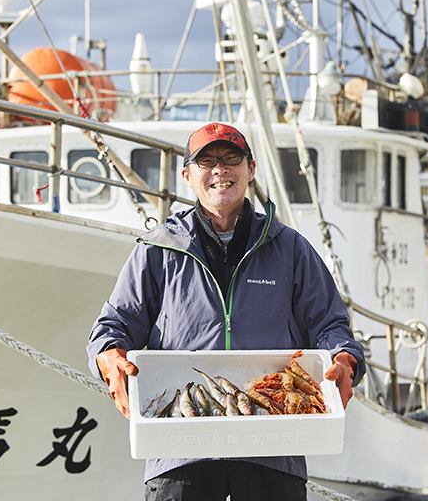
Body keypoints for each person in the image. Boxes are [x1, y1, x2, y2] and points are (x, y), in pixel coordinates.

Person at [87, 122, 366, 501]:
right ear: (187, 175)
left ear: (250, 170)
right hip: (180, 451)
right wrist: (109, 359)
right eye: (206, 161)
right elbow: (114, 326)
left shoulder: (292, 249)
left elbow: (330, 324)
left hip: (274, 446)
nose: (220, 169)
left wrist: (344, 358)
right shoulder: (157, 250)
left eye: (231, 158)